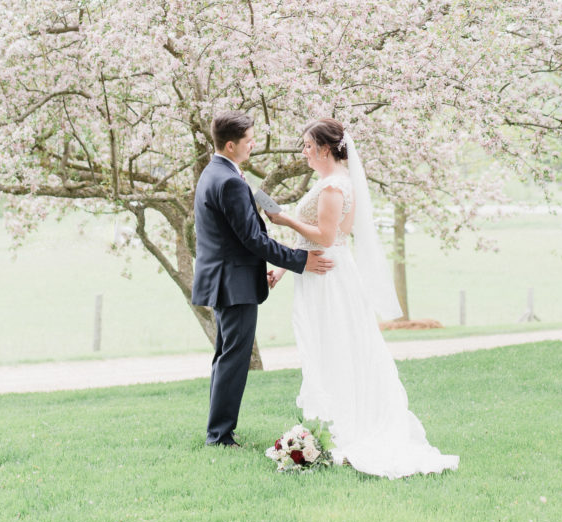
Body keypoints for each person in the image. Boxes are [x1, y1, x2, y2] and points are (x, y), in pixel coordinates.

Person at [266, 117, 459, 479]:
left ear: (324, 148)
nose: (303, 152)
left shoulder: (335, 187)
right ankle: (330, 421)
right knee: (332, 345)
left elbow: (325, 236)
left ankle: (344, 424)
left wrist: (286, 220)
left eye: (307, 146)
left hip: (327, 277)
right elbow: (322, 240)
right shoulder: (335, 182)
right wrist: (280, 268)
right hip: (322, 271)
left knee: (335, 344)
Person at [192, 111, 334, 447]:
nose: (254, 143)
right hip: (232, 284)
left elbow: (237, 237)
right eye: (249, 139)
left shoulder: (214, 172)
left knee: (226, 356)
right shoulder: (228, 180)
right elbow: (252, 240)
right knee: (233, 359)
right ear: (231, 144)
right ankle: (220, 435)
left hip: (227, 279)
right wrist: (300, 260)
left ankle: (219, 430)